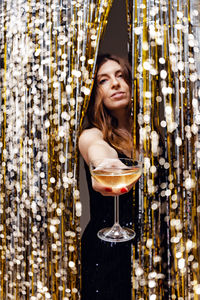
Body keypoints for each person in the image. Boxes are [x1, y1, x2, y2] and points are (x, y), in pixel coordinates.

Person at [79, 54, 139, 300]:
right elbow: (97, 150)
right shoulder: (92, 134)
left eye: (120, 76)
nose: (115, 84)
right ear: (96, 93)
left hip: (152, 248)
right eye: (103, 80)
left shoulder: (156, 136)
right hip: (107, 253)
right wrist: (106, 164)